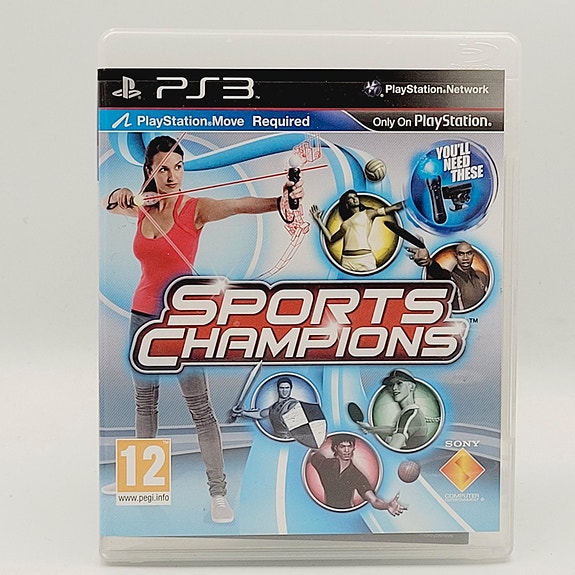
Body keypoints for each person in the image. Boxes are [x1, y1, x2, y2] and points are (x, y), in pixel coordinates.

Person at [103, 135, 304, 523]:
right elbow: (110, 204)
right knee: (144, 401)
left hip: (182, 319)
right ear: (149, 171)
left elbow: (239, 205)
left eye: (178, 167)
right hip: (142, 316)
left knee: (200, 408)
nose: (173, 176)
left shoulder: (195, 209)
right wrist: (120, 195)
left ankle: (218, 494)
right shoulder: (143, 207)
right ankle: (140, 479)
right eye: (163, 169)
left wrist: (281, 202)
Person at [309, 434, 406, 513]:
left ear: (353, 448)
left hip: (346, 513)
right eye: (342, 446)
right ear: (336, 448)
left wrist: (387, 506)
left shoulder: (356, 475)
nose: (346, 450)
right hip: (325, 512)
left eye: (349, 446)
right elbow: (312, 454)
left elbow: (374, 500)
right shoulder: (325, 464)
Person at [309, 190, 402, 272]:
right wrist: (318, 220)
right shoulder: (345, 224)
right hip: (347, 261)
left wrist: (408, 202)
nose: (354, 199)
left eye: (355, 196)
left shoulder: (368, 213)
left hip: (365, 259)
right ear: (346, 204)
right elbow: (331, 239)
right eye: (350, 198)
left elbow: (395, 207)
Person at [406, 241, 489, 311]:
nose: (465, 258)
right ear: (456, 257)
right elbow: (440, 274)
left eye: (469, 253)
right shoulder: (452, 279)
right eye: (461, 254)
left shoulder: (481, 276)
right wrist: (429, 262)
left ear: (473, 255)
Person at [358, 370, 428, 451]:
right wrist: (370, 429)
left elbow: (393, 448)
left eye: (399, 383)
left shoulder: (410, 415)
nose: (394, 388)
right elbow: (395, 430)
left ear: (411, 387)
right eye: (391, 385)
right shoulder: (410, 412)